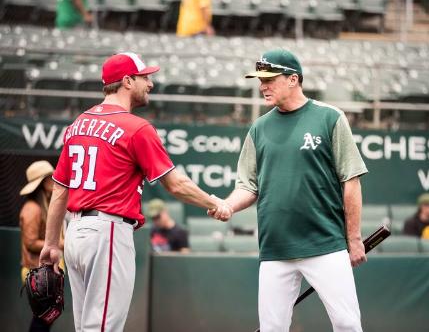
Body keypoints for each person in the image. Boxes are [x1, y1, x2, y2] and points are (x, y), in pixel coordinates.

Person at [39, 52, 232, 332]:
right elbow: (175, 184)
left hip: (75, 234)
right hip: (108, 232)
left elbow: (60, 189)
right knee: (102, 328)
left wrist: (51, 243)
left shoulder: (79, 123)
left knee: (87, 328)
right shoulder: (135, 127)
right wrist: (213, 202)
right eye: (145, 77)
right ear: (127, 81)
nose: (150, 83)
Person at [209, 49, 368, 332]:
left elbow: (351, 180)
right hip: (275, 248)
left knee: (347, 324)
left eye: (269, 79)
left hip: (325, 243)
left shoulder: (329, 117)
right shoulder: (258, 128)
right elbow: (247, 185)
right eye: (260, 80)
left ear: (293, 79)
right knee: (272, 328)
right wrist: (229, 206)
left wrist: (353, 238)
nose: (262, 86)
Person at [19, 160, 64, 332]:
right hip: (36, 272)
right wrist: (59, 243)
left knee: (46, 317)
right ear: (42, 182)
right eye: (49, 178)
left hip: (45, 272)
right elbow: (30, 243)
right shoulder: (32, 208)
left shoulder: (43, 206)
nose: (53, 181)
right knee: (43, 318)